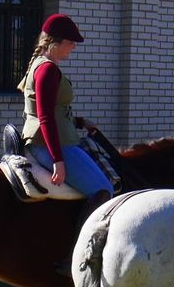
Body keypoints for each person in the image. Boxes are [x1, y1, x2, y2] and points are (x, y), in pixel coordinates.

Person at [12, 14, 112, 213]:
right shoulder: (47, 70)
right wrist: (58, 160)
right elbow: (45, 117)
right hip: (52, 145)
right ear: (55, 43)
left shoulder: (41, 64)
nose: (74, 46)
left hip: (53, 140)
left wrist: (80, 121)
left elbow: (54, 111)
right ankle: (88, 243)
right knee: (104, 190)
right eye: (71, 42)